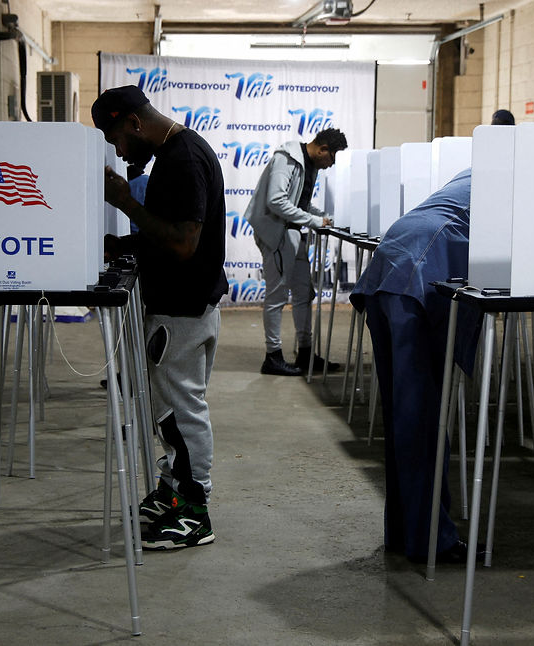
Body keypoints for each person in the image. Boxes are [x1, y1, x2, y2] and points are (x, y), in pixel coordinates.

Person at [92, 85, 227, 550]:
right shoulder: (174, 153)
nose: (119, 151)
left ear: (132, 123)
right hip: (184, 303)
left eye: (116, 140)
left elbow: (184, 243)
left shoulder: (183, 158)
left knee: (181, 413)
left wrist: (126, 204)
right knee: (169, 411)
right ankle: (174, 493)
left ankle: (195, 511)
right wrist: (125, 245)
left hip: (183, 308)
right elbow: (168, 232)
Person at [350, 169, 483, 564]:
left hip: (390, 263)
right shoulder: (523, 181)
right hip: (418, 276)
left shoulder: (476, 170)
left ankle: (405, 531)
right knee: (421, 417)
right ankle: (431, 541)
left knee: (403, 415)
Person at [244, 128, 349, 376]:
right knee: (276, 296)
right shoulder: (287, 159)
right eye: (330, 159)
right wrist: (316, 222)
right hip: (277, 234)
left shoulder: (307, 165)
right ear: (323, 149)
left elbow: (299, 203)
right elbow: (277, 201)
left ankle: (305, 353)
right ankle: (273, 356)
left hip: (291, 233)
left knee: (304, 293)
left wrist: (323, 217)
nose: (329, 166)